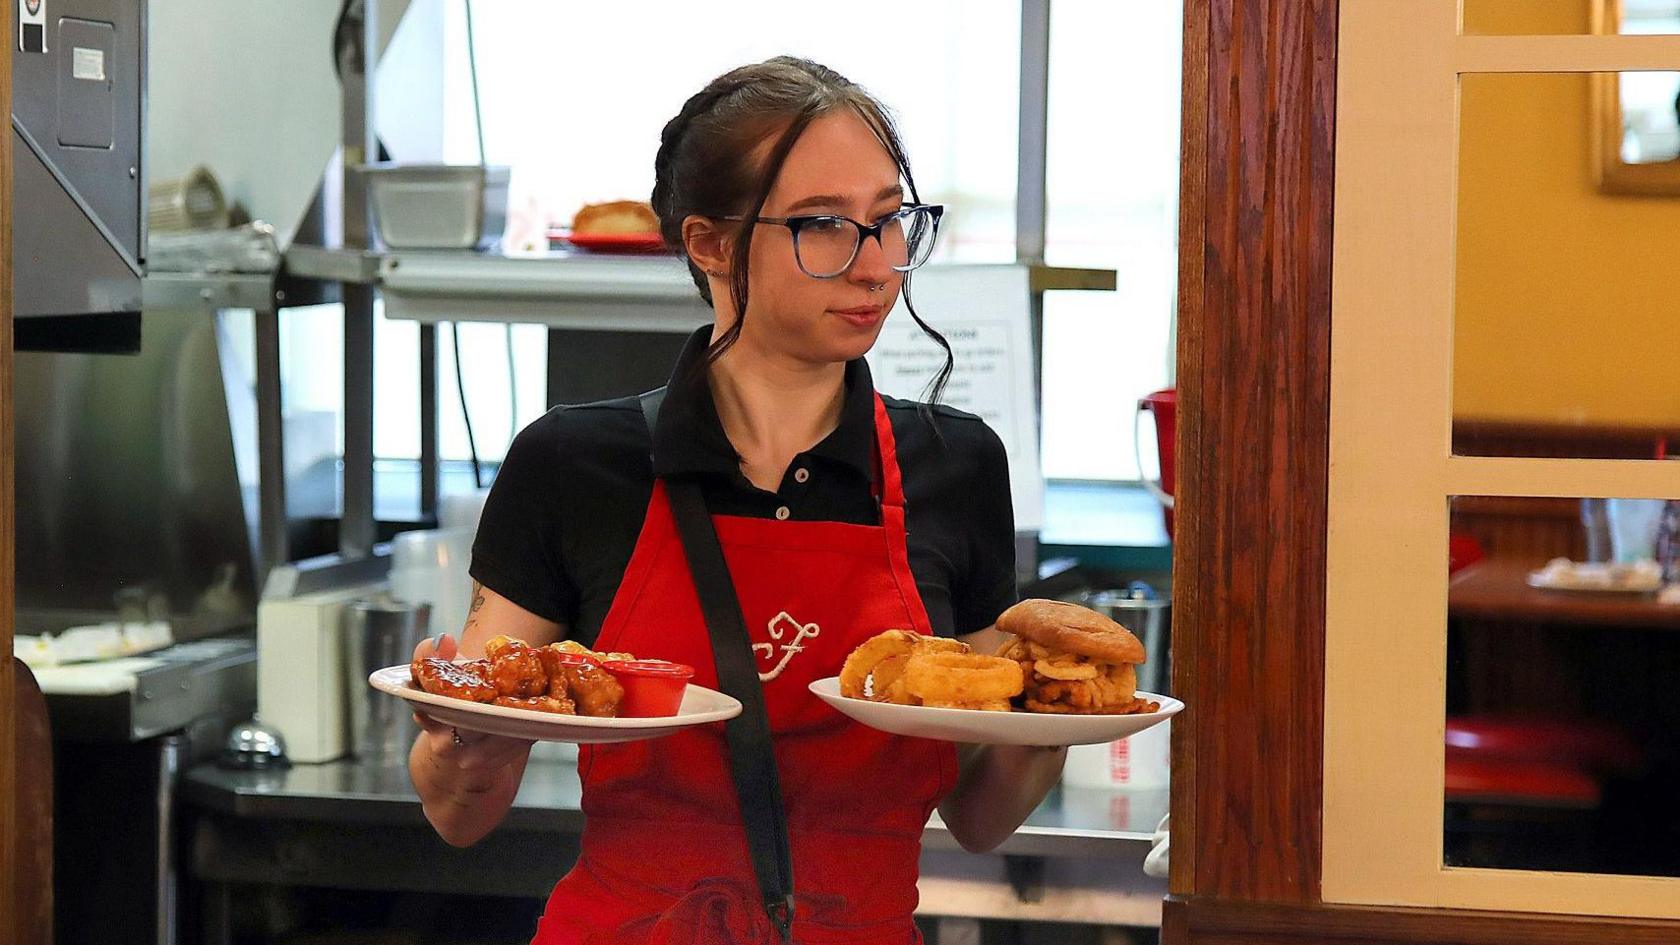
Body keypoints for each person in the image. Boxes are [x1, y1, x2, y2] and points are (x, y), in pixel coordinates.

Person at [408, 56, 1066, 944]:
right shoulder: (572, 462)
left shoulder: (957, 465)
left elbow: (983, 817)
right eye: (823, 225)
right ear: (709, 243)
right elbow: (457, 815)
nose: (878, 266)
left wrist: (1061, 717)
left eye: (889, 221)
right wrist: (468, 744)